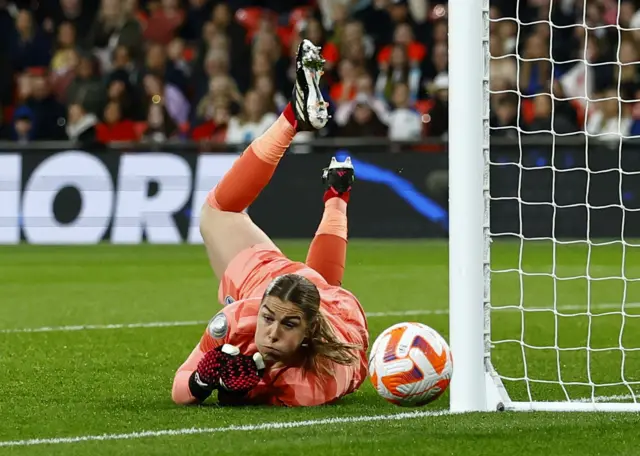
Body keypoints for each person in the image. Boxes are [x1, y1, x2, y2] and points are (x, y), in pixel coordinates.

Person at [171, 40, 369, 407]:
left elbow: (285, 393)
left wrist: (242, 389)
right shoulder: (239, 316)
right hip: (276, 283)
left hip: (337, 309)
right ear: (257, 308)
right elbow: (180, 389)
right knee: (218, 213)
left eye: (288, 325)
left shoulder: (328, 371)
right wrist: (200, 381)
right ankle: (324, 174)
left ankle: (332, 185)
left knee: (222, 213)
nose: (272, 333)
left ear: (310, 332)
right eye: (268, 318)